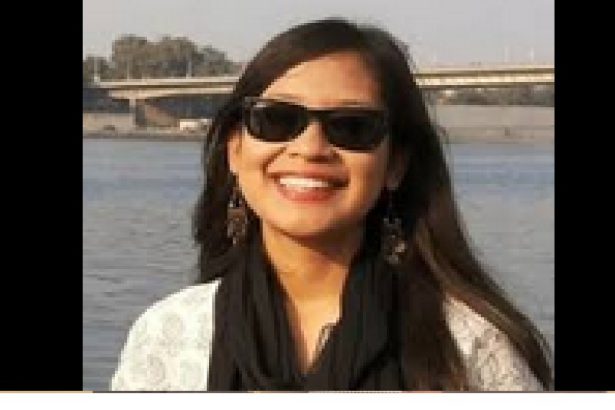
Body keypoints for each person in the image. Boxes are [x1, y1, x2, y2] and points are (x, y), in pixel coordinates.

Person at [110, 18, 553, 391]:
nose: (310, 148)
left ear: (395, 164)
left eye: (352, 126)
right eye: (276, 119)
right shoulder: (170, 337)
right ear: (235, 151)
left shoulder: (467, 347)